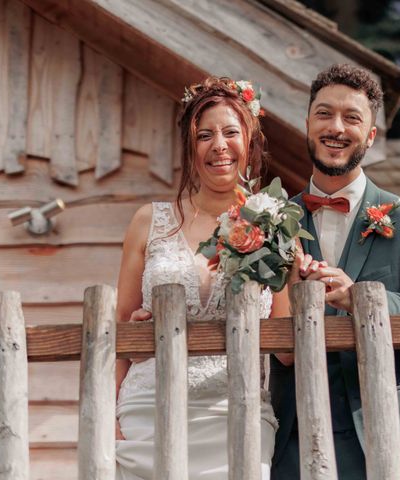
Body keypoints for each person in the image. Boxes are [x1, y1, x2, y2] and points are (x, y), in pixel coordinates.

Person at [270, 64, 400, 480]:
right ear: (307, 124)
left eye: (352, 118)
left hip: (383, 434)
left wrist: (360, 299)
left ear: (370, 135)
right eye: (324, 114)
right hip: (290, 435)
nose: (336, 127)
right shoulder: (271, 221)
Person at [114, 77, 288, 479]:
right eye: (204, 135)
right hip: (147, 410)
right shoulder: (148, 221)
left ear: (251, 141)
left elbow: (288, 352)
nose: (219, 145)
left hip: (237, 411)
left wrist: (294, 269)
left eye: (231, 132)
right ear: (190, 147)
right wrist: (110, 410)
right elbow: (117, 333)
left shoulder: (276, 224)